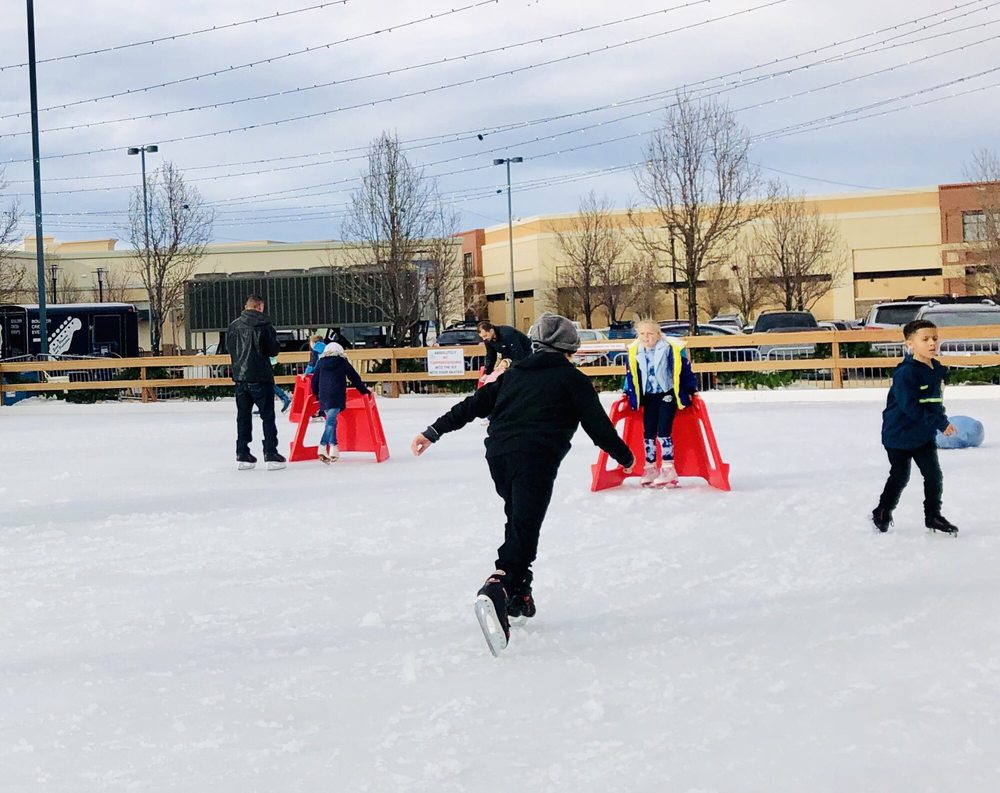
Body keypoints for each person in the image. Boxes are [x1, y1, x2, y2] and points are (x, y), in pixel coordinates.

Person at [411, 312, 635, 655]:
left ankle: (519, 593)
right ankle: (499, 585)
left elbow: (474, 405)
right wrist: (627, 458)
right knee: (525, 527)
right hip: (536, 458)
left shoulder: (514, 373)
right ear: (569, 350)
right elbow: (599, 428)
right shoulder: (572, 380)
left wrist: (433, 431)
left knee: (519, 519)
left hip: (499, 456)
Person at [872, 319, 958, 534]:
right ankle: (882, 510)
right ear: (910, 344)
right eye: (925, 339)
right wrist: (939, 423)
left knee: (933, 475)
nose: (932, 343)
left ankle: (933, 516)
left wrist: (941, 419)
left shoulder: (936, 369)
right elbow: (910, 406)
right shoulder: (906, 373)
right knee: (900, 476)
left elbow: (934, 402)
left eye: (935, 338)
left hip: (922, 435)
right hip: (898, 435)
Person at [623, 319, 699, 487]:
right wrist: (627, 390)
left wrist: (691, 388)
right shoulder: (636, 351)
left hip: (667, 394)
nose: (646, 337)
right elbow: (631, 374)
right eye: (642, 333)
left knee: (663, 431)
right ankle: (650, 467)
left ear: (658, 334)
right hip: (649, 396)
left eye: (650, 333)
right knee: (648, 433)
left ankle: (668, 468)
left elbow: (683, 370)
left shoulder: (668, 349)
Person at [227, 295, 286, 470]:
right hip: (261, 376)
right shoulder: (264, 325)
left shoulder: (233, 326)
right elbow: (273, 350)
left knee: (243, 417)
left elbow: (230, 348)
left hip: (240, 377)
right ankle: (270, 452)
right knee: (267, 416)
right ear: (260, 307)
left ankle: (243, 452)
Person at [309, 342, 370, 463]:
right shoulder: (342, 362)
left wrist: (317, 395)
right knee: (331, 422)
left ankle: (334, 448)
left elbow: (314, 381)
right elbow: (354, 378)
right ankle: (322, 446)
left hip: (324, 396)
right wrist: (364, 391)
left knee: (331, 421)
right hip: (337, 395)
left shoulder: (320, 363)